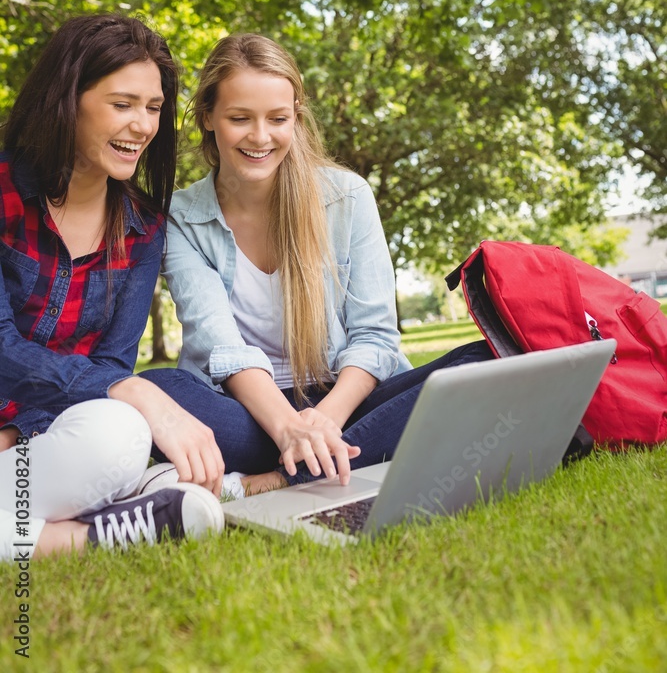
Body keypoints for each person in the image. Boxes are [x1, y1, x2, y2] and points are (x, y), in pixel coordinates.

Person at [143, 33, 491, 496]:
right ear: (208, 117)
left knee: (489, 359)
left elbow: (375, 336)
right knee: (158, 391)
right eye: (239, 118)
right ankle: (353, 454)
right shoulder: (182, 218)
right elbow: (221, 347)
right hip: (245, 412)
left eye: (278, 118)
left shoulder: (347, 197)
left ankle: (265, 482)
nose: (260, 137)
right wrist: (289, 428)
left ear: (297, 117)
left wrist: (322, 422)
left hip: (345, 400)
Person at [0, 14, 224, 561]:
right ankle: (84, 536)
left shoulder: (143, 228)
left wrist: (24, 431)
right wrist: (135, 390)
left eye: (153, 109)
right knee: (130, 405)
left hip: (40, 444)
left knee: (121, 432)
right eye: (123, 105)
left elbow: (110, 368)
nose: (143, 127)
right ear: (67, 99)